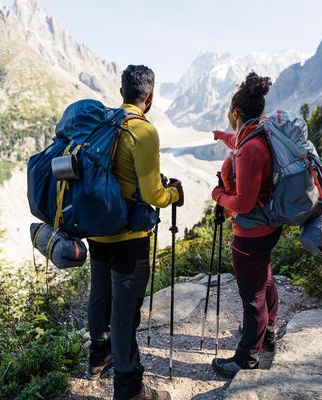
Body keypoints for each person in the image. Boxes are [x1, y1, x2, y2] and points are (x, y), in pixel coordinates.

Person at [87, 65, 183, 400]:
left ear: (122, 91)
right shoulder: (142, 131)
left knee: (99, 294)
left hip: (96, 229)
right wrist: (174, 194)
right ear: (150, 96)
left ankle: (98, 355)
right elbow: (153, 195)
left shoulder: (105, 122)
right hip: (128, 237)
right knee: (126, 311)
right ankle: (129, 390)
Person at [210, 72, 282, 378]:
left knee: (251, 297)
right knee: (263, 280)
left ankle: (246, 359)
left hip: (251, 232)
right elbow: (238, 141)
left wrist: (218, 194)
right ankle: (268, 334)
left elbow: (243, 202)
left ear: (236, 114)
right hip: (267, 227)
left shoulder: (251, 148)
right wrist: (222, 136)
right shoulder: (258, 131)